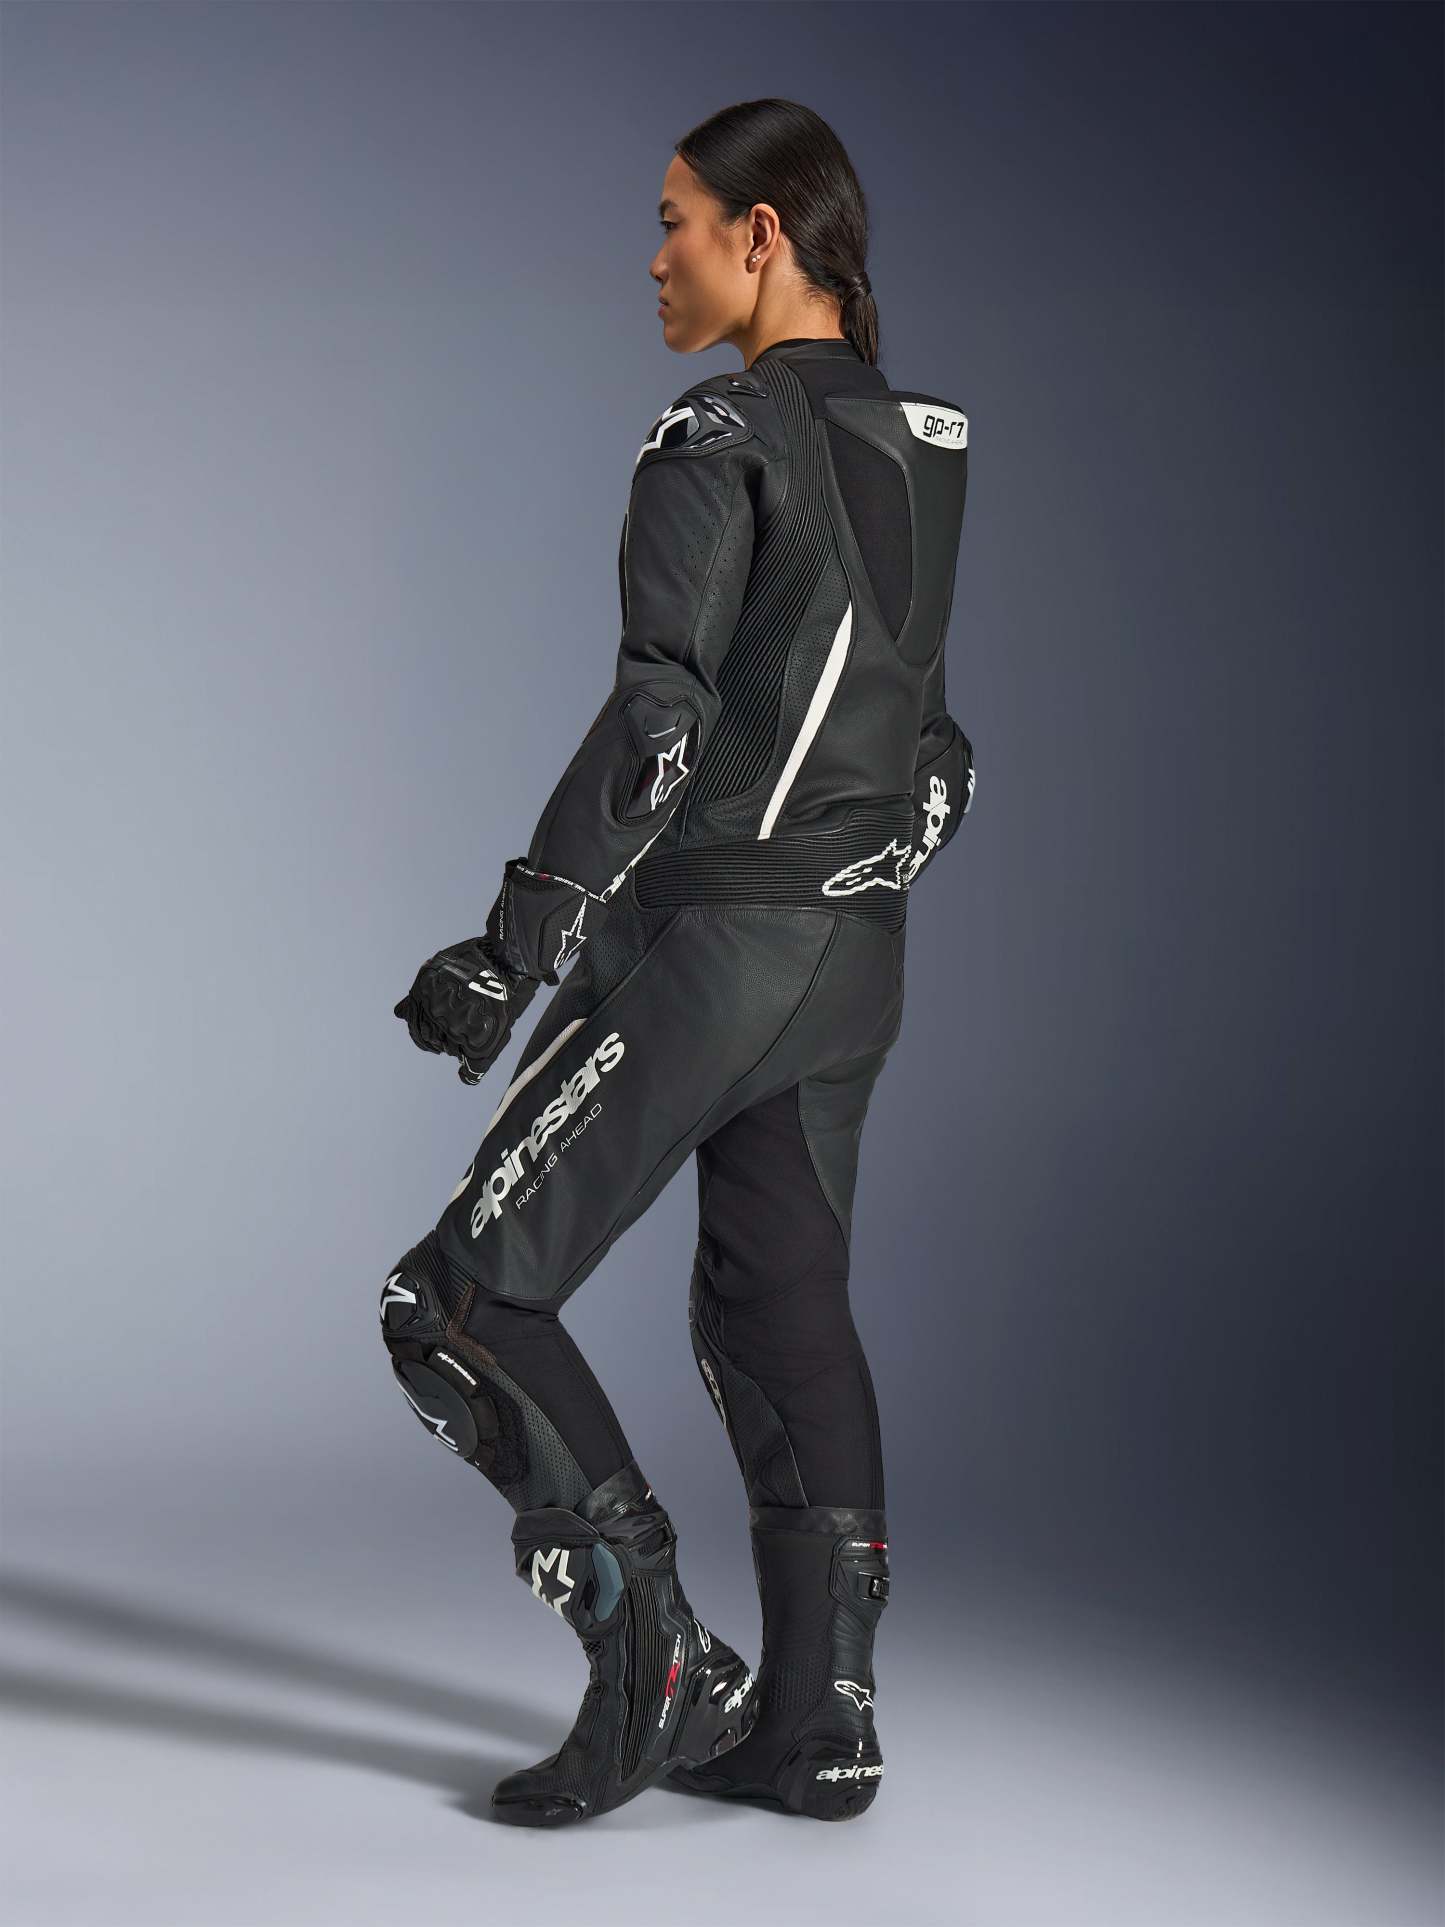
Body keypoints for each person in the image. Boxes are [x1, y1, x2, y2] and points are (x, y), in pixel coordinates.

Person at [386, 96, 974, 1827]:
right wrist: (863, 875)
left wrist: (514, 946)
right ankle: (819, 1726)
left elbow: (663, 723)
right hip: (853, 959)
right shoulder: (922, 436)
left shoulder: (717, 431)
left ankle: (657, 1665)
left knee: (452, 1307)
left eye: (672, 221)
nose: (651, 260)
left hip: (717, 946)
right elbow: (934, 747)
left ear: (760, 233)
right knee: (778, 1309)